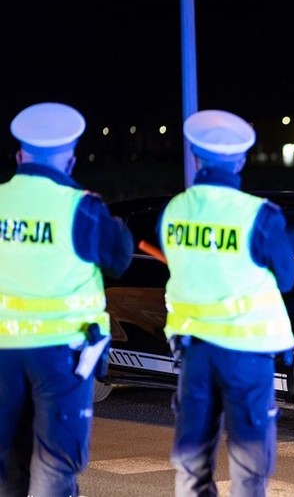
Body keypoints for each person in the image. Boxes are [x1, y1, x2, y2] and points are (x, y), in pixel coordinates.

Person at [158, 109, 294, 497]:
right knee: (249, 463)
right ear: (240, 160)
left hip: (195, 351)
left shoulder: (174, 211)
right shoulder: (259, 215)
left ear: (197, 157)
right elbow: (287, 277)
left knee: (192, 458)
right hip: (247, 356)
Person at [0, 102, 134, 497]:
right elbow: (120, 257)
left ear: (21, 155)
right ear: (71, 159)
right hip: (62, 357)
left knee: (7, 462)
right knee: (54, 465)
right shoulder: (81, 208)